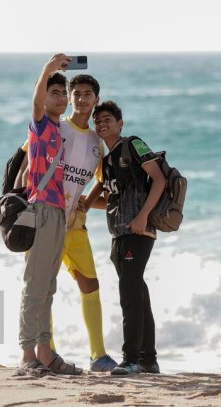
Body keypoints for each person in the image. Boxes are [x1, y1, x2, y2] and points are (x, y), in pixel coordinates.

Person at [17, 74, 118, 372]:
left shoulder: (98, 143)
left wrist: (89, 200)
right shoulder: (55, 127)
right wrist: (21, 210)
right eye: (77, 93)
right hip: (43, 218)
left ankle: (98, 355)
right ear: (68, 98)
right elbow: (25, 169)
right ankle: (45, 351)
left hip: (73, 224)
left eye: (89, 94)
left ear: (97, 99)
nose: (82, 99)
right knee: (40, 285)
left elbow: (101, 181)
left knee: (89, 283)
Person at [84, 100, 165, 375]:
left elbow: (159, 179)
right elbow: (109, 199)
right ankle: (148, 360)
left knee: (129, 294)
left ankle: (131, 359)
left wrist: (143, 215)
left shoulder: (133, 144)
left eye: (107, 119)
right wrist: (81, 203)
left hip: (138, 230)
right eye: (98, 121)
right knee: (138, 293)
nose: (102, 124)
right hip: (119, 233)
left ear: (120, 123)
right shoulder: (106, 162)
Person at [17, 54, 81, 376]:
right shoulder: (40, 126)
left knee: (49, 285)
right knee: (34, 284)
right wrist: (49, 67)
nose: (60, 98)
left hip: (57, 211)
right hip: (41, 207)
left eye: (63, 94)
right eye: (54, 93)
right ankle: (27, 355)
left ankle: (45, 352)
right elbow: (36, 101)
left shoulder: (59, 130)